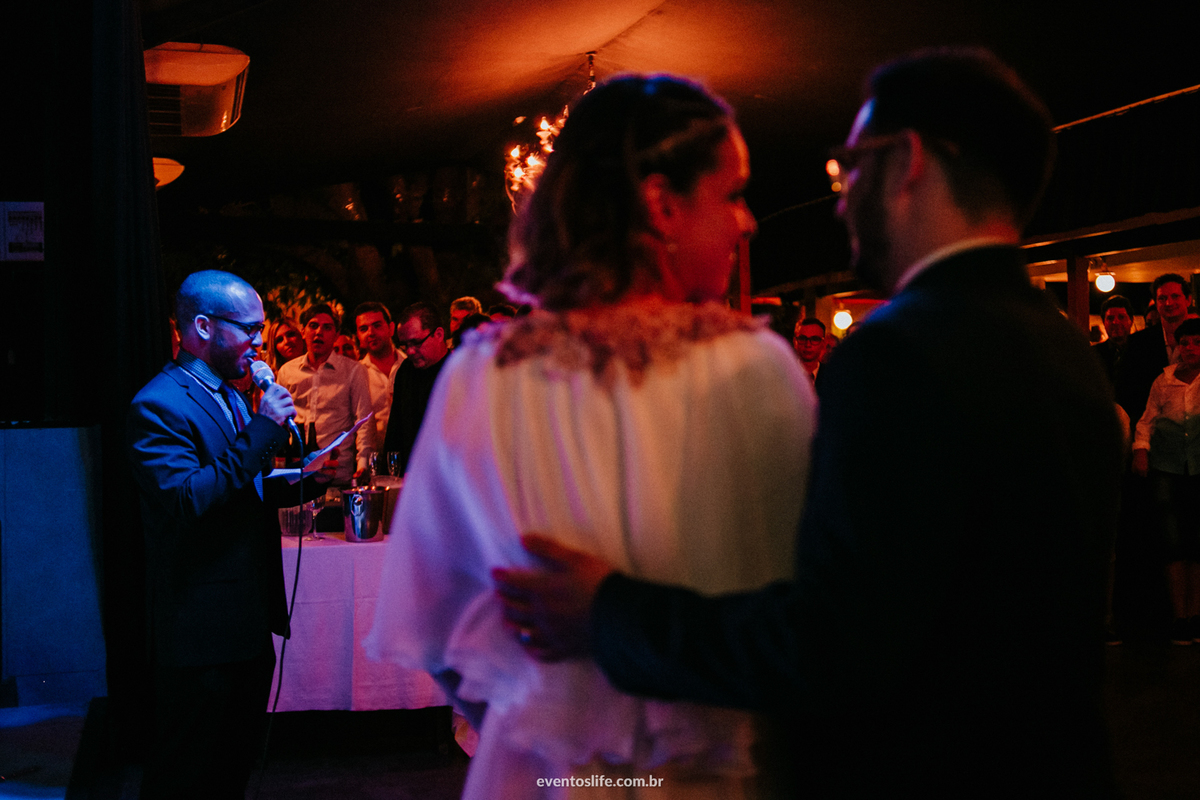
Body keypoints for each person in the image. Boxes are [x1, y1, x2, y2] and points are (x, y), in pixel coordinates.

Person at [494, 48, 1123, 797]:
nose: (839, 197)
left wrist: (610, 611)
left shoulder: (898, 353)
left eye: (848, 167)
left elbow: (836, 641)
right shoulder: (1062, 345)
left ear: (909, 160)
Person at [365, 74, 816, 799]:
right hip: (709, 775)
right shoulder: (753, 371)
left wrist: (552, 728)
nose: (747, 222)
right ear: (663, 206)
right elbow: (808, 628)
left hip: (536, 772)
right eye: (732, 195)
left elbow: (439, 634)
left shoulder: (479, 373)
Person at [128, 270, 335, 800]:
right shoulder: (158, 404)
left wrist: (308, 485)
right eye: (248, 328)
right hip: (199, 630)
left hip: (245, 621)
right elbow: (187, 499)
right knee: (185, 774)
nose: (259, 341)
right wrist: (264, 429)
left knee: (230, 770)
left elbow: (243, 490)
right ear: (202, 327)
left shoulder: (231, 395)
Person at [1132, 316, 1200, 645]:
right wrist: (1140, 451)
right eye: (1185, 343)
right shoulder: (1163, 381)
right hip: (1169, 469)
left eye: (1197, 342)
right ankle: (1179, 617)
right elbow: (1146, 422)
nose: (1190, 348)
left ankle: (1196, 614)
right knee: (1174, 543)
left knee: (1198, 544)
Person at [277, 304, 375, 486]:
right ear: (303, 331)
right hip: (297, 476)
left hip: (338, 476)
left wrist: (363, 465)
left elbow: (364, 421)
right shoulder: (286, 372)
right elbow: (279, 422)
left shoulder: (353, 371)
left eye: (327, 327)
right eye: (313, 326)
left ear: (336, 334)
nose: (319, 332)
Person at [380, 301, 450, 476]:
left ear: (439, 334)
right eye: (405, 345)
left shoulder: (458, 371)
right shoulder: (405, 371)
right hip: (410, 478)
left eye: (416, 342)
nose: (410, 351)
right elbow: (395, 430)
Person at [1117, 273, 1192, 424]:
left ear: (1188, 300)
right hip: (1150, 431)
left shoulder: (1197, 339)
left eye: (1175, 296)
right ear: (1156, 303)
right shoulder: (1137, 343)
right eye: (1162, 298)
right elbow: (1124, 391)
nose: (1169, 303)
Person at [354, 301, 404, 447]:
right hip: (374, 460)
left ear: (391, 328)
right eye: (364, 329)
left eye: (377, 325)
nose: (371, 333)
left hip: (412, 459)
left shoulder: (410, 366)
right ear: (358, 335)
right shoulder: (357, 374)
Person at [1093, 294, 1133, 387]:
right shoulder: (1094, 354)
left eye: (1121, 317)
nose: (1115, 322)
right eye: (1110, 318)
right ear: (1104, 322)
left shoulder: (1142, 352)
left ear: (1131, 320)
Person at [792, 317, 827, 387]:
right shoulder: (784, 374)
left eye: (814, 339)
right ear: (795, 341)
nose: (808, 344)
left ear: (823, 343)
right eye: (802, 338)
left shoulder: (832, 375)